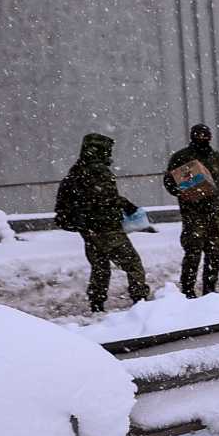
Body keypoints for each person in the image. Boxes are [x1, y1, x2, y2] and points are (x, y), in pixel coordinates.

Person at [52, 132, 151, 312]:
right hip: (107, 227)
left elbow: (77, 200)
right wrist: (125, 204)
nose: (110, 154)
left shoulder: (75, 171)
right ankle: (140, 301)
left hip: (88, 229)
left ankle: (96, 303)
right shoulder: (98, 171)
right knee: (133, 264)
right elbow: (104, 198)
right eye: (108, 150)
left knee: (100, 267)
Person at [165, 123, 219, 296]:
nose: (202, 139)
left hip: (215, 215)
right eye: (199, 135)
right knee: (193, 253)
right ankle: (187, 291)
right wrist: (183, 191)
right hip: (193, 215)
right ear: (192, 136)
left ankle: (210, 291)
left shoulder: (215, 157)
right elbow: (169, 182)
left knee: (214, 254)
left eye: (205, 135)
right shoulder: (182, 157)